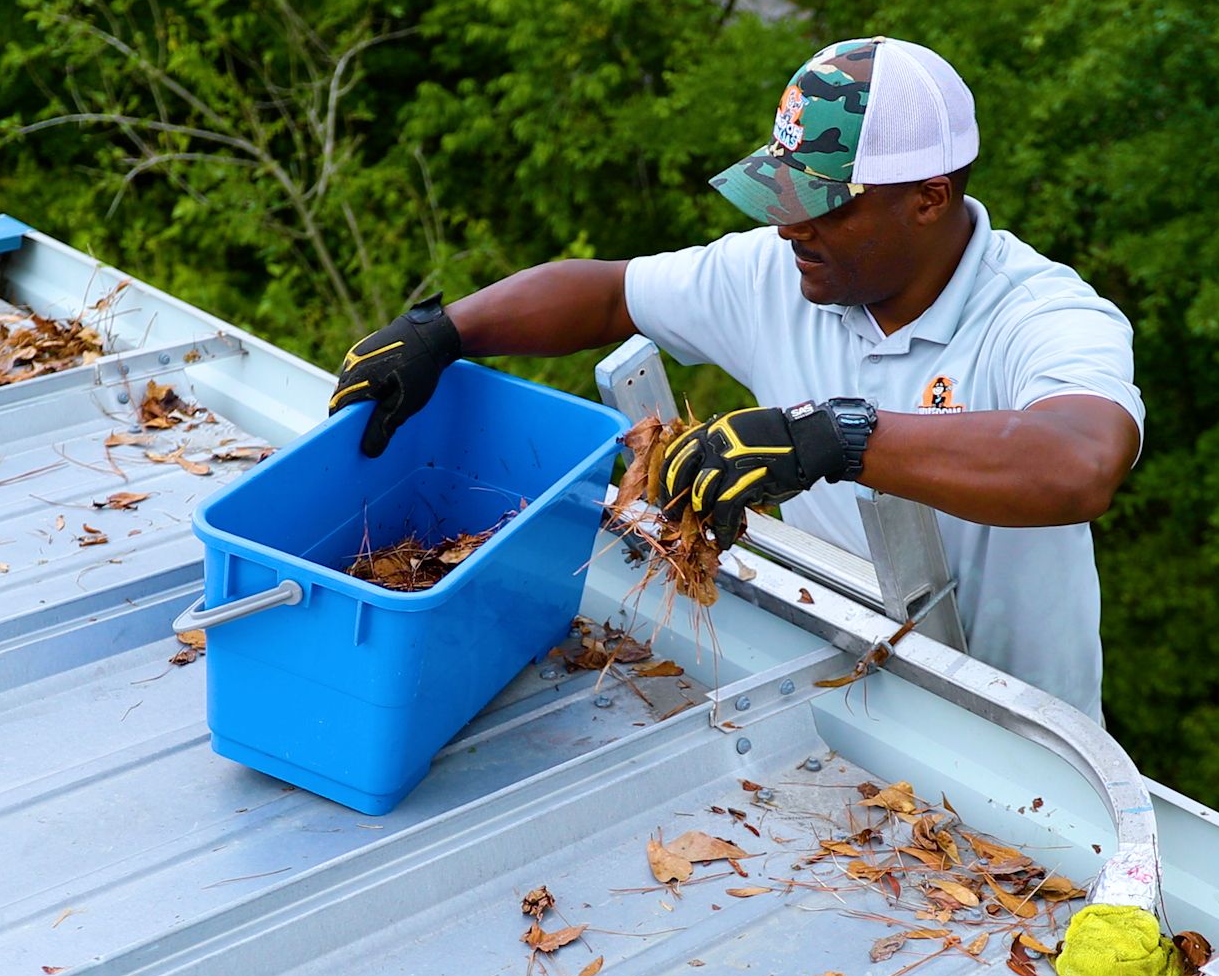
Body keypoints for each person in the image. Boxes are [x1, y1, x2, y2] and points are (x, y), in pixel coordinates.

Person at [328, 36, 1143, 722]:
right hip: (848, 695)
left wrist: (831, 438)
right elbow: (609, 292)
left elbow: (1079, 461)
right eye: (784, 195)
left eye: (824, 203)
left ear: (929, 198)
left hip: (1021, 739)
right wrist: (444, 331)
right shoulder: (781, 274)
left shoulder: (1039, 316)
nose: (788, 225)